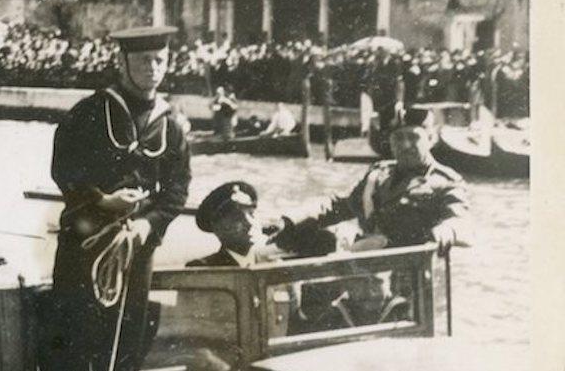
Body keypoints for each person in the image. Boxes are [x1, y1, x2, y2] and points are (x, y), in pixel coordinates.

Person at [32, 26, 191, 371]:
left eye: (159, 61)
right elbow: (62, 167)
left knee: (125, 335)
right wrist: (101, 199)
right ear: (122, 64)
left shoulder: (172, 125)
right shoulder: (90, 112)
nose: (152, 70)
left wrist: (146, 225)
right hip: (87, 240)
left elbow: (177, 191)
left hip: (135, 245)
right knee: (71, 334)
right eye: (143, 62)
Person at [272, 108, 470, 253]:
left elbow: (460, 220)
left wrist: (448, 230)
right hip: (368, 265)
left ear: (431, 138)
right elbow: (339, 207)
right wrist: (289, 220)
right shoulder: (379, 173)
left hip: (412, 274)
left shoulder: (446, 182)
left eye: (413, 137)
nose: (405, 144)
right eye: (398, 138)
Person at [187, 181, 268, 267]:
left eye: (252, 215)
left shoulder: (271, 261)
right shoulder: (204, 268)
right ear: (218, 228)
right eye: (238, 218)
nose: (249, 224)